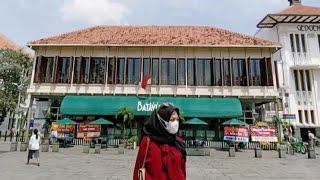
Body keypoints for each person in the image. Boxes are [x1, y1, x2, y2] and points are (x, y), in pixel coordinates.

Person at [133, 103, 186, 180]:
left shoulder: (179, 142)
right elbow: (138, 167)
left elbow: (183, 171)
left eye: (177, 119)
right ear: (161, 121)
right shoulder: (148, 141)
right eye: (172, 119)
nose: (175, 123)